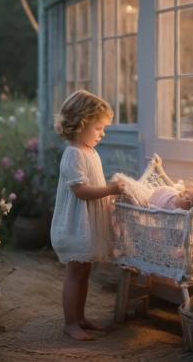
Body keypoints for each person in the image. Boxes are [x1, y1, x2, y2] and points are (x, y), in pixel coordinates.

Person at [51, 90, 126, 341]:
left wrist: (111, 192)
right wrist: (110, 190)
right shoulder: (73, 153)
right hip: (75, 225)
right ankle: (70, 323)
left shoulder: (88, 151)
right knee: (75, 274)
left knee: (84, 273)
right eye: (98, 128)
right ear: (80, 123)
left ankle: (80, 317)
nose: (102, 134)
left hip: (86, 223)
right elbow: (81, 191)